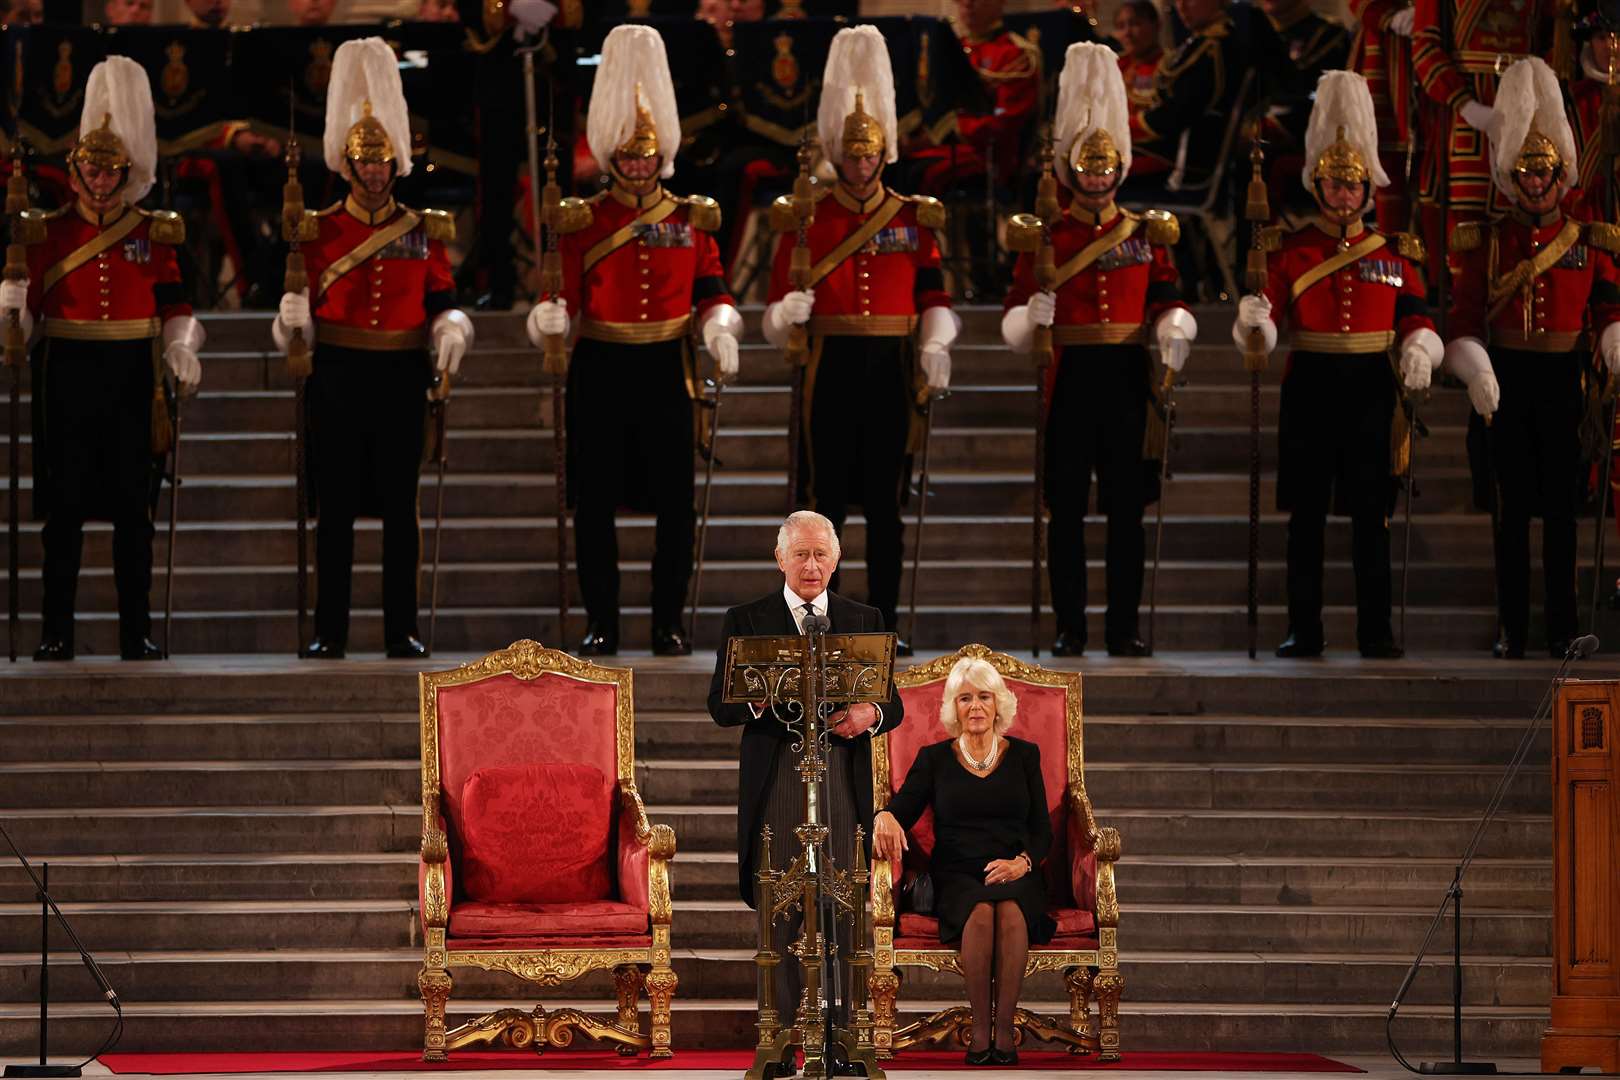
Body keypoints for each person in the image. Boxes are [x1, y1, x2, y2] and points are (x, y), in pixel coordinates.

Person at [527, 24, 742, 658]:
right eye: (629, 154)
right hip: (600, 366)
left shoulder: (690, 216)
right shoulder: (582, 220)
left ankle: (668, 622)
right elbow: (555, 296)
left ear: (662, 153)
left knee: (677, 507)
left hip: (666, 367)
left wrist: (722, 327)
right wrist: (549, 321)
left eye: (648, 154)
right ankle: (603, 622)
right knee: (593, 505)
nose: (639, 164)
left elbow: (713, 288)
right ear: (613, 156)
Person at [271, 38, 473, 660]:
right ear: (348, 165)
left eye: (385, 162)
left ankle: (399, 629)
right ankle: (328, 629)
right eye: (366, 162)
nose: (377, 172)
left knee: (397, 509)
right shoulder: (318, 228)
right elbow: (293, 317)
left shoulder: (424, 229)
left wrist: (452, 330)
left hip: (400, 374)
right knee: (333, 510)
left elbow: (442, 300)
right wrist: (288, 324)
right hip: (337, 370)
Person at [763, 25, 959, 654]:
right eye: (852, 156)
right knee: (824, 505)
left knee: (885, 504)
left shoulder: (912, 214)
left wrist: (936, 341)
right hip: (831, 364)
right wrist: (785, 313)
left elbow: (934, 293)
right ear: (837, 155)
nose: (862, 164)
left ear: (884, 154)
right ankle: (819, 623)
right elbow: (774, 305)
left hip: (891, 365)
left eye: (870, 155)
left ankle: (884, 623)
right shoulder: (806, 215)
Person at [0, 57, 204, 661]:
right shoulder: (46, 233)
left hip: (132, 380)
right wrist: (11, 312)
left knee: (133, 515)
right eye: (91, 167)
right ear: (74, 169)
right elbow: (28, 318)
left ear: (125, 172)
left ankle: (133, 631)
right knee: (62, 515)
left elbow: (177, 306)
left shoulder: (155, 233)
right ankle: (55, 631)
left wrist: (181, 346)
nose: (100, 179)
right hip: (65, 374)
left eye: (110, 169)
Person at [1232, 71, 1441, 659]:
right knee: (1307, 520)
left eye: (1353, 186)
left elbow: (1415, 314)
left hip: (1373, 387)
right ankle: (1305, 628)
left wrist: (1421, 348)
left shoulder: (1395, 253)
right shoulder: (1289, 248)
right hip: (1312, 386)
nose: (1345, 195)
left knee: (1371, 518)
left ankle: (1376, 630)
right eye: (1334, 184)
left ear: (1367, 188)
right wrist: (1256, 320)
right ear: (1317, 184)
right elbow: (1266, 322)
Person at [1003, 43, 1195, 658]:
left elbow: (1167, 295)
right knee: (1065, 513)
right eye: (1087, 171)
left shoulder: (1144, 233)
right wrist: (1026, 318)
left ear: (1119, 170)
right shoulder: (1047, 235)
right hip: (1070, 378)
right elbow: (1016, 303)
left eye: (1105, 169)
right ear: (1070, 171)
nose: (1096, 179)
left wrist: (1174, 328)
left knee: (1125, 513)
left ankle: (1122, 627)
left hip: (1124, 376)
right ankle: (1071, 627)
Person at [1442, 58, 1620, 658]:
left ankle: (1563, 628)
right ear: (1511, 176)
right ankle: (1512, 628)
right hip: (1507, 378)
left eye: (1544, 171)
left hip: (1564, 379)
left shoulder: (1588, 240)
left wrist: (1613, 338)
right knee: (1512, 513)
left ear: (1561, 173)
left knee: (1563, 516)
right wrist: (1476, 367)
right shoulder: (1489, 243)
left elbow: (1607, 303)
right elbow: (1464, 318)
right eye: (1526, 171)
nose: (1536, 181)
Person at [706, 510, 905, 1045]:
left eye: (821, 555)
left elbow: (893, 703)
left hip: (841, 778)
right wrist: (754, 697)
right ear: (780, 559)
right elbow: (718, 707)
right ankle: (783, 1037)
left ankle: (843, 1037)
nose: (812, 565)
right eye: (801, 554)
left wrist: (870, 715)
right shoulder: (746, 619)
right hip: (778, 782)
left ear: (836, 560)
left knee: (841, 907)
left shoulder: (863, 617)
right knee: (781, 911)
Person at [870, 655, 1051, 1067]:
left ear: (998, 704)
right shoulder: (934, 759)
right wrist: (883, 815)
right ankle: (981, 1031)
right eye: (965, 698)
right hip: (957, 873)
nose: (976, 707)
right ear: (953, 707)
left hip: (1016, 868)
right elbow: (901, 809)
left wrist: (1023, 863)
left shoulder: (1025, 755)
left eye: (984, 697)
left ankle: (1004, 1030)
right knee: (981, 911)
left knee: (1011, 910)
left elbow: (1043, 829)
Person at [898, 0, 1042, 196]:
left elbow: (1004, 123)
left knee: (923, 173)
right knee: (893, 164)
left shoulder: (1016, 54)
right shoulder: (956, 48)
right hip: (946, 147)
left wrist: (942, 132)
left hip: (987, 153)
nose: (967, 4)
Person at [1128, 0, 1247, 188]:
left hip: (1185, 160)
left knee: (1087, 169)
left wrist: (1126, 127)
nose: (1181, 6)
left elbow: (1178, 113)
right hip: (1173, 149)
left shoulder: (1217, 46)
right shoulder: (1201, 42)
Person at [1347, 0, 1414, 232]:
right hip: (1386, 53)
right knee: (1385, 160)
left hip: (1444, 45)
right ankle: (1392, 254)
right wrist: (1389, 17)